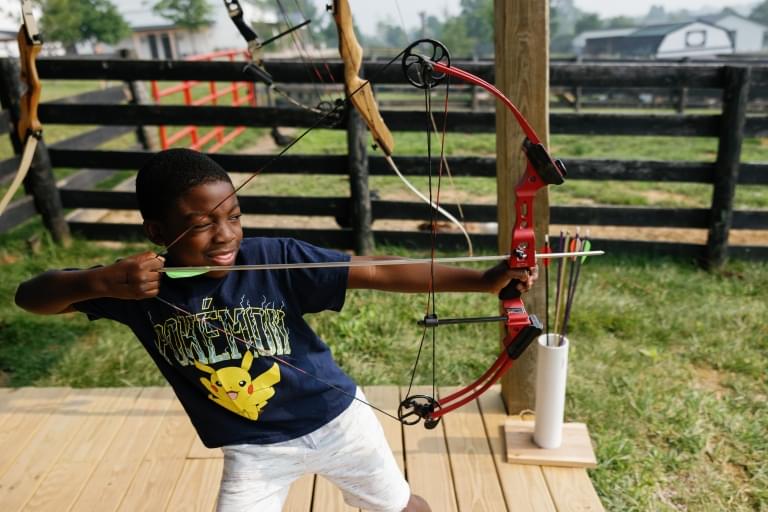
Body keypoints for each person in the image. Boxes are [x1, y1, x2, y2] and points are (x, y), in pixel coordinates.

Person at [15, 148, 537, 512]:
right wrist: (97, 279)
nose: (225, 236)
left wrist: (483, 282)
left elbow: (375, 270)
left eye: (234, 216)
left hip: (338, 423)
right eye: (200, 224)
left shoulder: (271, 259)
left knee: (399, 506)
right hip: (255, 448)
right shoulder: (135, 286)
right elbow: (31, 297)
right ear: (157, 231)